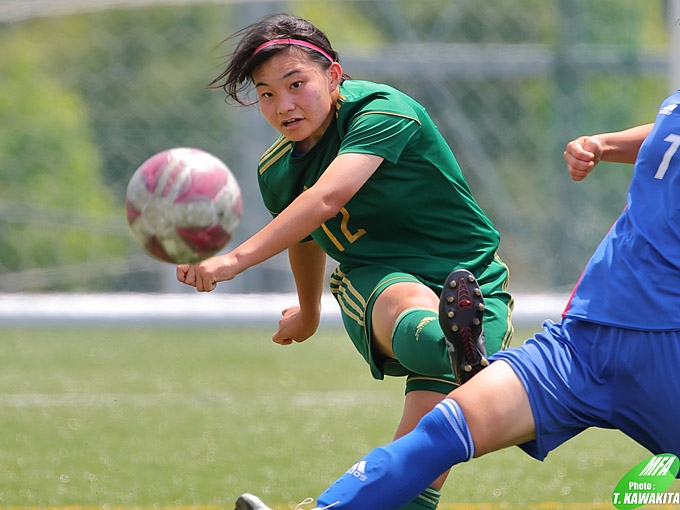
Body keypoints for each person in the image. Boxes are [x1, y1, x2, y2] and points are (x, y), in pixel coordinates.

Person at [233, 88, 680, 510]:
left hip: (667, 349)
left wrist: (234, 260)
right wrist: (603, 144)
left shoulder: (382, 111)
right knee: (445, 429)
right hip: (584, 340)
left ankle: (438, 343)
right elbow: (667, 132)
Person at [176, 13, 514, 509]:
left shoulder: (383, 111)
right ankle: (458, 347)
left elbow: (327, 200)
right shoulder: (278, 170)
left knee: (419, 463)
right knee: (409, 301)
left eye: (296, 85)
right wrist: (308, 311)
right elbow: (307, 233)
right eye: (266, 94)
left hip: (472, 281)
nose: (283, 105)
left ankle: (457, 346)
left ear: (333, 76)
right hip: (375, 280)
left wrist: (234, 261)